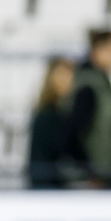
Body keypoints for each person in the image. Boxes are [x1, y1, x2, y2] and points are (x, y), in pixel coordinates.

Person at [66, 30, 111, 189]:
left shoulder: (101, 84)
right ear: (99, 50)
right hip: (97, 182)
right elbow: (73, 133)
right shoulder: (88, 86)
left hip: (107, 176)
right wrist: (88, 174)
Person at [27, 57, 75, 190]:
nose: (68, 81)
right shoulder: (49, 115)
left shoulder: (54, 112)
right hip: (47, 187)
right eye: (63, 76)